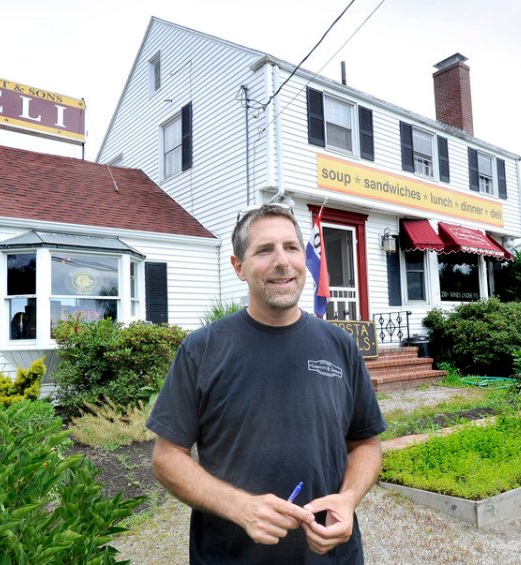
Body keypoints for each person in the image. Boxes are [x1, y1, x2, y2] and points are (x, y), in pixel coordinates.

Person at [146, 203, 387, 563]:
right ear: (238, 267)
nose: (282, 261)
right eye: (264, 250)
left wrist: (348, 499)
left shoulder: (340, 346)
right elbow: (166, 458)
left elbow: (366, 444)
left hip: (330, 555)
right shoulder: (203, 349)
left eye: (291, 247)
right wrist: (241, 507)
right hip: (229, 556)